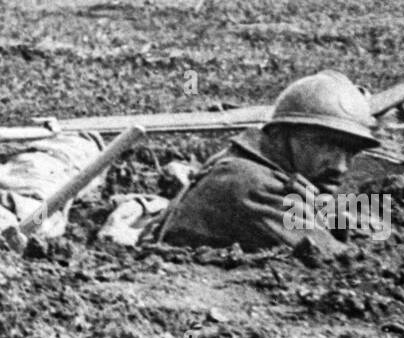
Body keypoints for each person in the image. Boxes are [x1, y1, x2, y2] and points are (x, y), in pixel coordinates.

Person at [152, 70, 380, 259]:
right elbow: (337, 259)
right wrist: (340, 221)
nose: (341, 166)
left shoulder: (249, 165)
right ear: (281, 135)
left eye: (351, 152)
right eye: (327, 145)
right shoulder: (251, 183)